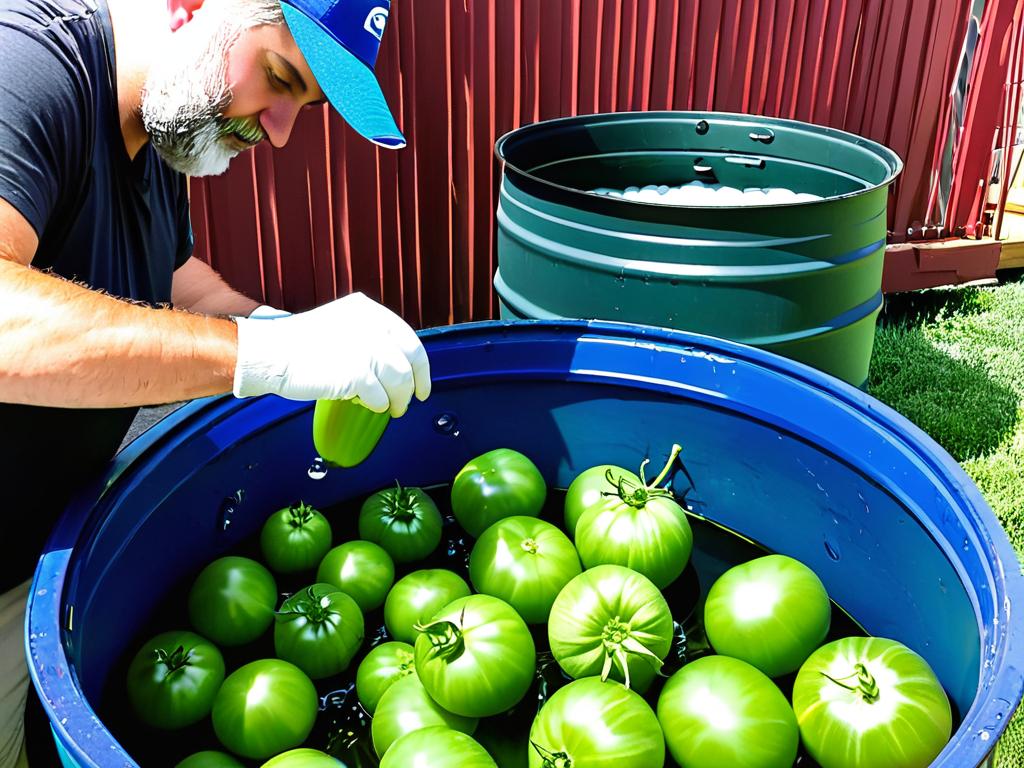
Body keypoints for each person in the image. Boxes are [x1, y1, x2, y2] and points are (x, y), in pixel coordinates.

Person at [0, 0, 429, 764]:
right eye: (279, 78)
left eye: (305, 105)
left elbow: (174, 287)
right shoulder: (27, 67)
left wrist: (284, 327)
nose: (281, 130)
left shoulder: (151, 137)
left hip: (49, 550)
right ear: (190, 7)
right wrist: (262, 356)